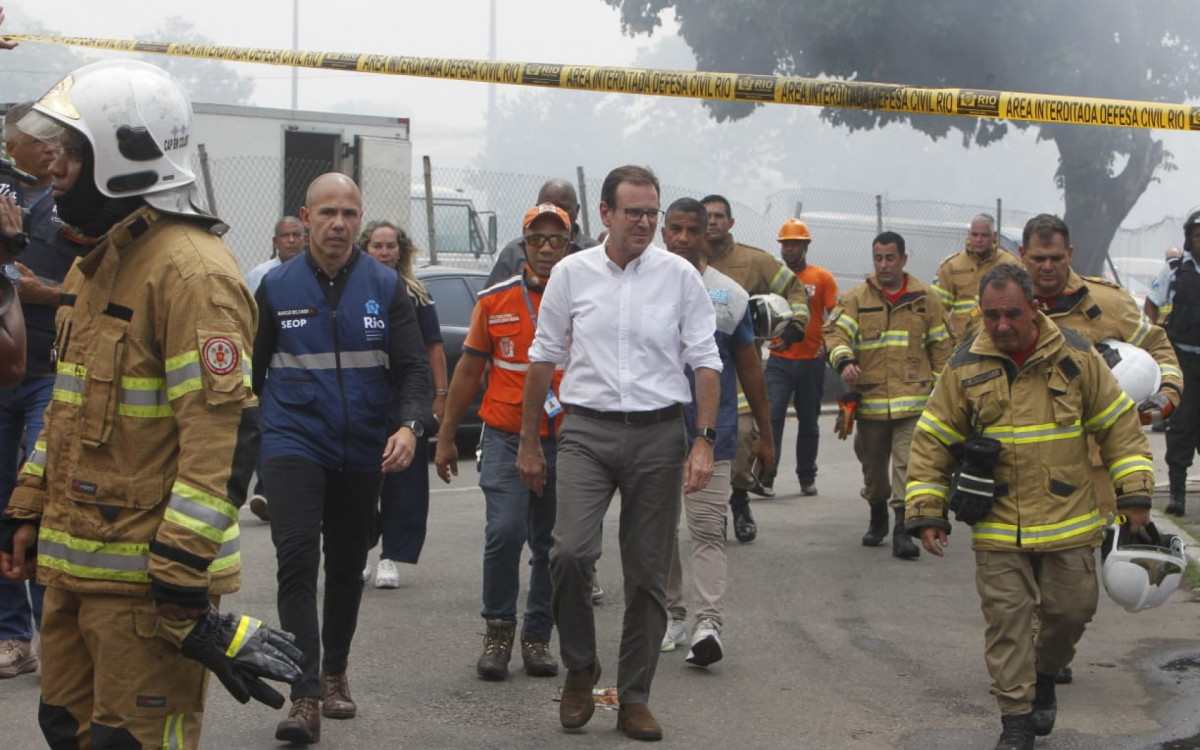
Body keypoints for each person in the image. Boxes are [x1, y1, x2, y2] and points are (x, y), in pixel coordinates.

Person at [0, 59, 298, 749]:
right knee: (64, 729)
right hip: (74, 572)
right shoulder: (95, 265)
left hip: (148, 592)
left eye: (70, 154)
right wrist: (27, 505)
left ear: (123, 158)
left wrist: (180, 577)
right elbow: (66, 409)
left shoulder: (193, 273)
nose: (54, 170)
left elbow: (221, 437)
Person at [904, 263, 1154, 750]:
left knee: (1071, 612)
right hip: (998, 525)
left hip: (1070, 522)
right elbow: (932, 440)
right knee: (1007, 622)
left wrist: (1136, 496)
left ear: (1034, 308)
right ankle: (1015, 719)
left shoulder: (1078, 358)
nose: (1001, 326)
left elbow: (1120, 428)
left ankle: (1044, 673)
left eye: (1012, 314)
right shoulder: (964, 366)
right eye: (991, 315)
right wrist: (926, 510)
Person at [517, 165, 721, 741]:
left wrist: (703, 441)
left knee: (647, 575)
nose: (644, 222)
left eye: (650, 212)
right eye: (633, 211)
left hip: (660, 435)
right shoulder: (572, 275)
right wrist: (530, 441)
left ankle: (634, 697)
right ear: (604, 214)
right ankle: (581, 666)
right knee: (570, 553)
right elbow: (542, 355)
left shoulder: (680, 277)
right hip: (585, 430)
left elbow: (705, 360)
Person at [253, 172, 433, 744]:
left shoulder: (385, 287)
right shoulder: (274, 289)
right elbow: (250, 377)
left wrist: (409, 426)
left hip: (361, 449)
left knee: (348, 562)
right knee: (297, 558)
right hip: (292, 443)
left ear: (359, 220)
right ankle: (304, 691)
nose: (339, 224)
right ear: (305, 219)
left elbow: (412, 371)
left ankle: (335, 672)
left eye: (349, 214)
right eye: (327, 213)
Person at [435, 202, 571, 682]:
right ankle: (498, 632)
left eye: (557, 240)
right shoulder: (495, 301)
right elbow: (469, 371)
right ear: (523, 245)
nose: (547, 249)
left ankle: (538, 637)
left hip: (566, 442)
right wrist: (446, 436)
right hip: (505, 439)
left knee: (552, 546)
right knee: (504, 532)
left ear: (569, 246)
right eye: (538, 240)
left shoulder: (584, 299)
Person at [659, 198, 772, 666]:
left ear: (709, 234)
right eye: (676, 229)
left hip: (714, 434)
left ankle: (709, 624)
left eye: (693, 230)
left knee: (707, 530)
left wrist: (766, 434)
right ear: (664, 232)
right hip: (654, 431)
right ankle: (671, 614)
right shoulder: (642, 284)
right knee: (659, 531)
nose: (683, 238)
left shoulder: (728, 296)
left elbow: (750, 371)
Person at [1014, 214, 1181, 516]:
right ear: (1022, 255)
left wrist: (1167, 393)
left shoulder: (1108, 304)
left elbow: (1157, 345)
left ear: (1071, 255)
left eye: (1056, 257)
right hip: (1018, 466)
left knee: (1097, 554)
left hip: (1093, 466)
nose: (1047, 266)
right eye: (1039, 258)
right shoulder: (1002, 309)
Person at [824, 231, 952, 559]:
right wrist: (845, 361)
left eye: (890, 258)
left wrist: (940, 392)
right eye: (878, 258)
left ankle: (901, 530)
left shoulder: (928, 298)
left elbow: (942, 348)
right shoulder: (856, 298)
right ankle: (877, 513)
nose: (884, 265)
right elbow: (835, 333)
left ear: (903, 260)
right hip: (870, 406)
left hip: (914, 403)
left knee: (907, 466)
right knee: (873, 469)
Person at [0, 100, 69, 679]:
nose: (48, 148)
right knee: (2, 507)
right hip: (4, 372)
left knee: (40, 500)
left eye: (54, 139)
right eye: (33, 139)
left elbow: (86, 288)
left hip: (50, 371)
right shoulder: (5, 196)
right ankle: (12, 637)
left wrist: (39, 290)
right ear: (10, 145)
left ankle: (55, 635)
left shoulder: (72, 204)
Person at [701, 194, 809, 542]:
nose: (713, 221)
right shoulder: (683, 260)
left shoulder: (754, 261)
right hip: (693, 371)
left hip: (739, 371)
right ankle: (712, 512)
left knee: (743, 440)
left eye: (720, 216)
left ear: (731, 223)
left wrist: (796, 325)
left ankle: (740, 498)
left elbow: (794, 288)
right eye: (707, 216)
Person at [360, 219, 447, 589]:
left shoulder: (417, 293)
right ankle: (360, 552)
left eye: (390, 246)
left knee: (401, 481)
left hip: (405, 401)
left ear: (401, 251)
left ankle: (390, 557)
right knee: (360, 482)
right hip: (363, 399)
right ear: (364, 249)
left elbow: (433, 347)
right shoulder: (352, 289)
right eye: (377, 246)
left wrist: (439, 397)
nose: (384, 252)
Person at [763, 218, 839, 497]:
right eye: (786, 244)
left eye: (795, 244)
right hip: (779, 361)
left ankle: (807, 477)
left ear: (806, 245)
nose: (790, 249)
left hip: (811, 362)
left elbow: (836, 316)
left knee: (809, 420)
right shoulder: (773, 278)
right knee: (772, 419)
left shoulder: (822, 278)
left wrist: (829, 345)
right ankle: (766, 476)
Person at [1146, 212, 1200, 516]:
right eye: (1198, 235)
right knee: (1181, 426)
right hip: (1183, 360)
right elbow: (1152, 302)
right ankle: (1177, 494)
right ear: (1189, 239)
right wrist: (1155, 344)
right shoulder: (1174, 269)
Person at [485, 178, 596, 286]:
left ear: (576, 210)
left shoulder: (595, 254)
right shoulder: (513, 252)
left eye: (563, 208)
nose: (555, 212)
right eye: (548, 206)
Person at [931, 213, 1021, 340]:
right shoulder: (951, 266)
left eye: (984, 235)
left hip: (999, 339)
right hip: (962, 341)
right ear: (969, 235)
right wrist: (950, 333)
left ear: (994, 236)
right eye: (975, 235)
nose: (979, 239)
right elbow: (936, 308)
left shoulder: (1010, 264)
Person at [245, 216, 305, 294]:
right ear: (275, 241)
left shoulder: (315, 272)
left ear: (304, 239)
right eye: (285, 235)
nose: (291, 240)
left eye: (296, 235)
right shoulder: (260, 274)